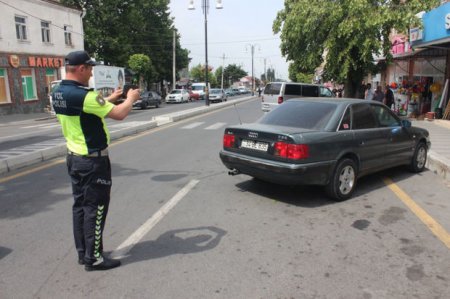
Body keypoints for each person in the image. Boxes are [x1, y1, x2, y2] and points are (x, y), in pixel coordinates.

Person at [52, 50, 140, 271]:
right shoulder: (86, 96)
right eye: (90, 68)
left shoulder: (59, 92)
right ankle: (95, 258)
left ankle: (84, 253)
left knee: (80, 207)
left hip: (74, 158)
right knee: (96, 208)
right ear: (81, 68)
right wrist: (130, 99)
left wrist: (109, 99)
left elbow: (87, 110)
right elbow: (119, 114)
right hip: (93, 162)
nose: (91, 72)